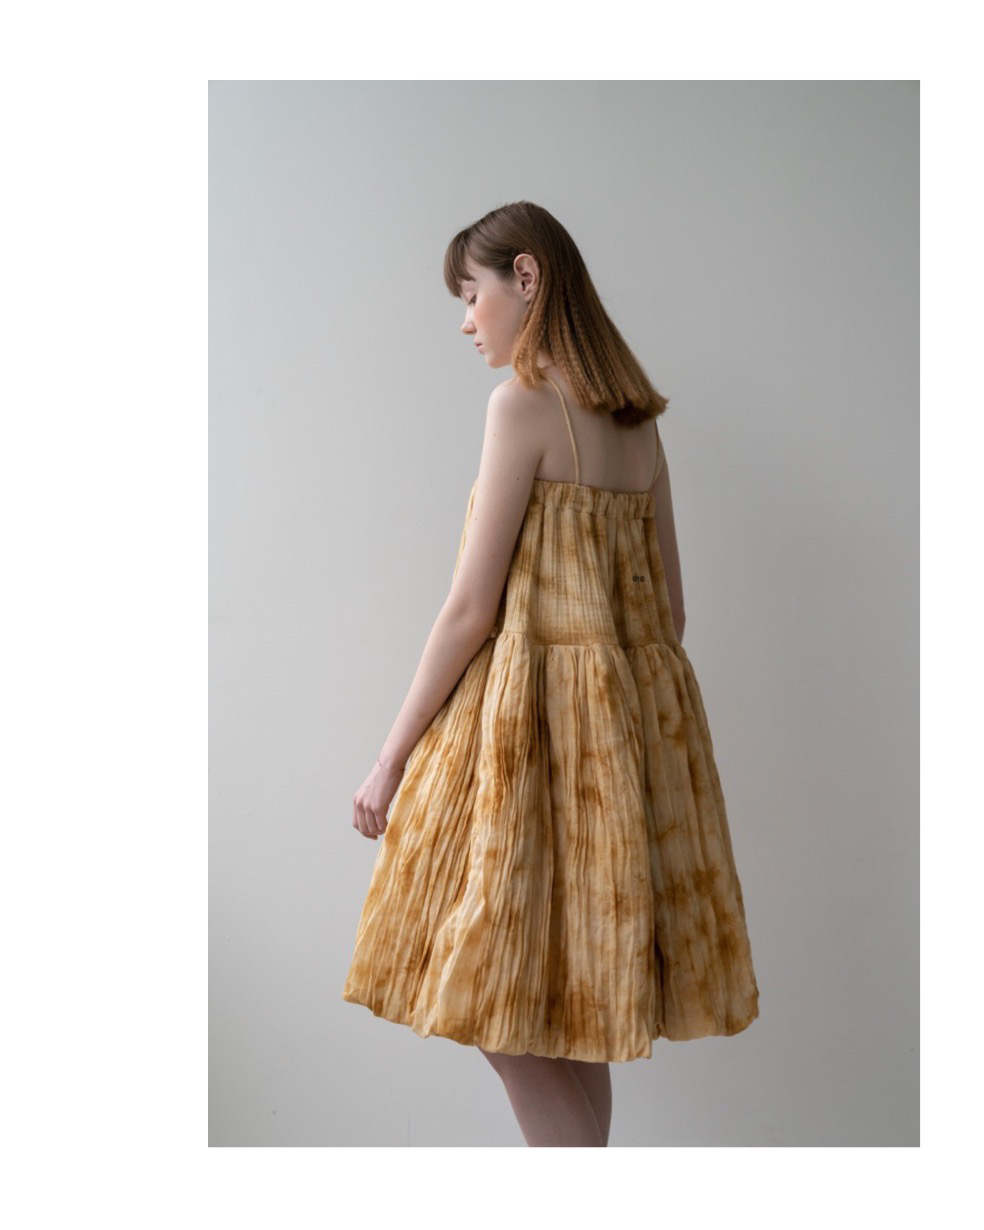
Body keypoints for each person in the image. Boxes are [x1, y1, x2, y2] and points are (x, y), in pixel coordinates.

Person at [342, 201, 760, 1147]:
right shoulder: (640, 425)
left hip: (528, 742)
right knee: (569, 1011)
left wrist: (389, 760)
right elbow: (671, 614)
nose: (466, 321)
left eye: (472, 294)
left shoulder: (521, 407)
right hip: (627, 746)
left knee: (499, 1001)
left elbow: (470, 609)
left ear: (526, 278)